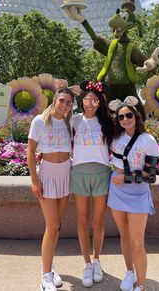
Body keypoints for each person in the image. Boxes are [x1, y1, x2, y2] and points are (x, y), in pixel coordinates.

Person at [107, 96, 159, 291]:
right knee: (124, 236)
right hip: (117, 190)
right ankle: (129, 271)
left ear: (136, 116)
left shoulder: (148, 140)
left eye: (129, 115)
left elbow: (151, 175)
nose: (126, 119)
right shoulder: (115, 137)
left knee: (137, 242)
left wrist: (126, 178)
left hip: (137, 192)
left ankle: (140, 284)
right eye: (121, 117)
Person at [27, 87, 75, 291]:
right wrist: (35, 181)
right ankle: (45, 275)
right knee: (52, 224)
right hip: (47, 175)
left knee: (57, 226)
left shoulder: (69, 122)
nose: (65, 105)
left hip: (66, 174)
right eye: (62, 100)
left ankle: (50, 265)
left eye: (69, 102)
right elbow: (30, 152)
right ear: (55, 100)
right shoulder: (39, 121)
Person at [70, 80, 114, 288]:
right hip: (79, 172)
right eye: (87, 99)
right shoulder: (74, 121)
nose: (90, 103)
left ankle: (97, 260)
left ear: (99, 103)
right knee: (82, 221)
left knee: (98, 222)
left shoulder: (107, 123)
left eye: (94, 100)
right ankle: (86, 263)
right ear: (82, 101)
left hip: (101, 173)